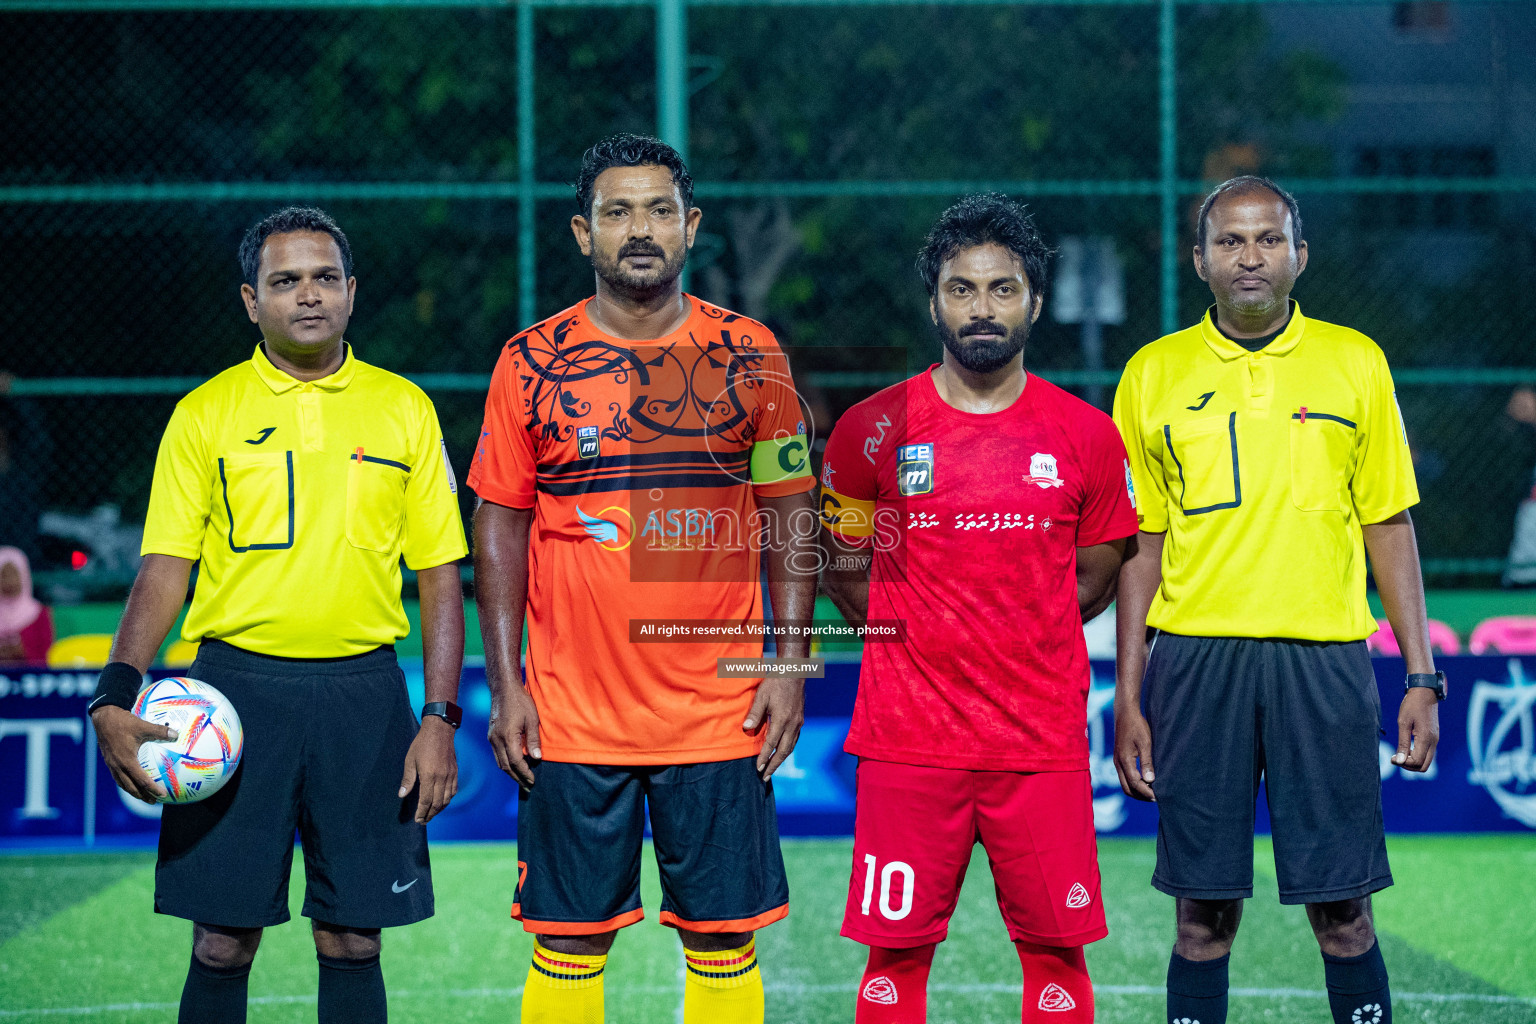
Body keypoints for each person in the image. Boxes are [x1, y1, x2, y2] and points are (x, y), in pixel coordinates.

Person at [87, 207, 468, 1024]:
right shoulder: (205, 413)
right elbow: (165, 569)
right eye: (285, 280)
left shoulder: (404, 409)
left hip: (366, 700)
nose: (307, 296)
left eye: (325, 278)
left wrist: (438, 716)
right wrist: (114, 691)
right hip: (231, 696)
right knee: (221, 942)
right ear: (250, 301)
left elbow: (440, 575)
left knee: (354, 941)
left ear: (353, 292)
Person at [469, 134, 818, 1024]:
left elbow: (789, 514)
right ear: (581, 234)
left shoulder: (754, 355)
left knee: (724, 937)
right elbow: (499, 524)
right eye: (616, 211)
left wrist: (789, 663)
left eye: (659, 210)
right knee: (567, 939)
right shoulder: (529, 362)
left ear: (691, 226)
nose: (639, 229)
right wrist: (504, 684)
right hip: (571, 713)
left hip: (719, 708)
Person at [1112, 175, 1441, 1024]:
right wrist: (1129, 693)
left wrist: (1421, 675)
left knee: (1343, 913)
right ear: (1199, 261)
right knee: (1201, 919)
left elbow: (1389, 525)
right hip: (1194, 663)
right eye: (1229, 240)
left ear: (1300, 255)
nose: (1248, 255)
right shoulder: (1152, 373)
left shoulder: (1355, 360)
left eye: (1267, 239)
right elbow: (1139, 549)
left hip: (1323, 662)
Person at [819, 193, 1139, 1024]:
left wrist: (1016, 622)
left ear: (1033, 300)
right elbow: (842, 564)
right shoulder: (869, 429)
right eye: (962, 289)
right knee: (894, 962)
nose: (982, 308)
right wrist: (911, 633)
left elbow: (1098, 573)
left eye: (1002, 289)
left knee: (1056, 957)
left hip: (1041, 742)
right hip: (908, 743)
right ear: (934, 302)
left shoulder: (1086, 435)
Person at [0, 546, 53, 664]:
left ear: (24, 575)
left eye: (14, 574)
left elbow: (46, 657)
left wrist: (23, 652)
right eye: (3, 575)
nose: (9, 582)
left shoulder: (39, 613)